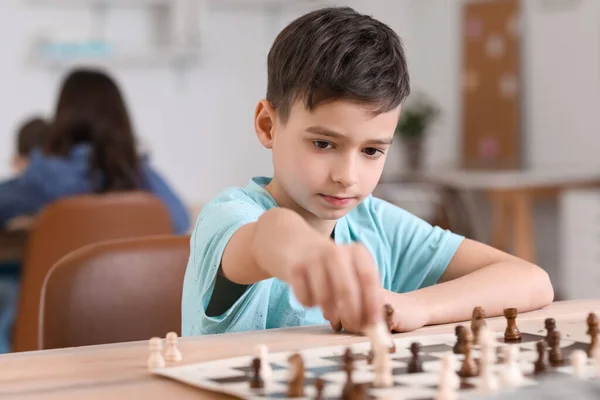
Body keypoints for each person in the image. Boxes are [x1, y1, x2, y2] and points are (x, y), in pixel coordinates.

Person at [181, 7, 554, 336]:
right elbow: (267, 239)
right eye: (323, 144)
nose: (347, 175)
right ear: (268, 125)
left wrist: (417, 307)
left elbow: (532, 281)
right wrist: (308, 250)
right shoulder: (227, 216)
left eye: (372, 151)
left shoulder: (373, 223)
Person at [0, 68, 190, 234]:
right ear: (120, 119)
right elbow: (180, 222)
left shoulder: (41, 176)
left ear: (62, 117)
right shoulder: (139, 176)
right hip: (129, 275)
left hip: (57, 275)